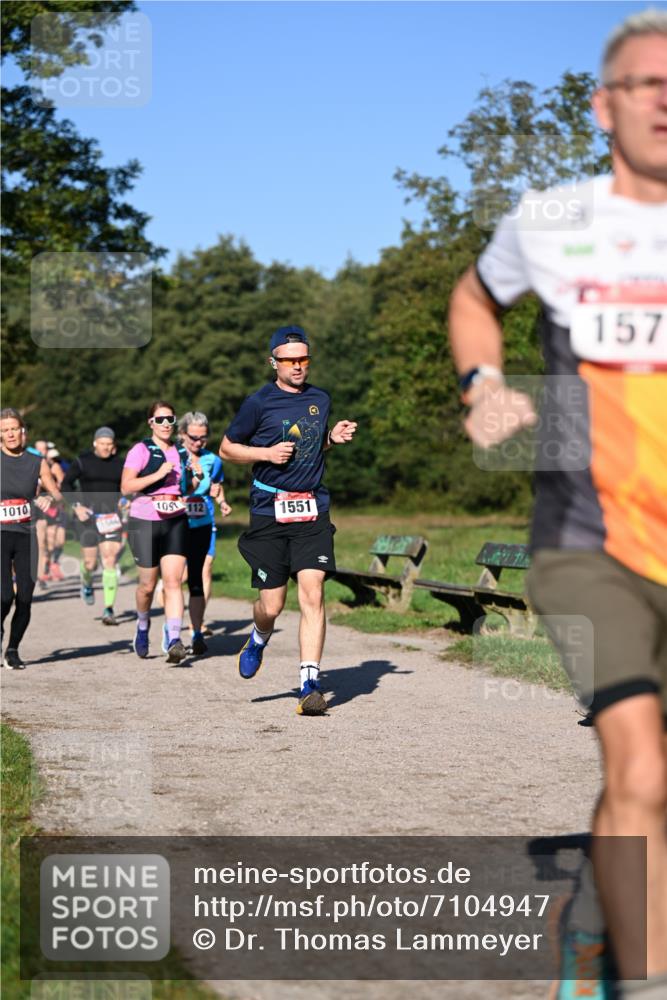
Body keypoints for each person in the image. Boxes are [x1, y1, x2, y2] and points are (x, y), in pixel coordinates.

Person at [448, 11, 667, 999]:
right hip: (589, 545)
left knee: (645, 782)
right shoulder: (551, 222)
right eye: (642, 83)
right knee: (643, 767)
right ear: (602, 106)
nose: (663, 98)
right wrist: (481, 385)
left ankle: (585, 910)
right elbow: (470, 298)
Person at [219, 325, 357, 715]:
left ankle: (309, 683)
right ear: (273, 362)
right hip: (269, 510)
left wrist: (333, 437)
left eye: (303, 359)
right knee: (272, 604)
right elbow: (227, 449)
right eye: (289, 360)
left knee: (312, 591)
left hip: (312, 508)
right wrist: (265, 455)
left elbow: (313, 444)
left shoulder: (321, 398)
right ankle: (259, 636)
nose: (298, 366)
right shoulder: (258, 403)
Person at [121, 401, 194, 664]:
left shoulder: (181, 452)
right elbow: (126, 486)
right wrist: (159, 473)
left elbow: (188, 485)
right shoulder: (140, 450)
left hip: (175, 519)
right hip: (144, 520)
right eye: (160, 420)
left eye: (169, 419)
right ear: (151, 423)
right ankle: (142, 626)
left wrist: (193, 479)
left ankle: (174, 638)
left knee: (174, 582)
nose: (165, 424)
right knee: (147, 586)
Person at [1, 409, 63, 668]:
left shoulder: (36, 462)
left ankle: (12, 650)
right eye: (4, 430)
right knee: (4, 597)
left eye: (14, 428)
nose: (10, 434)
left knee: (25, 596)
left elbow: (58, 496)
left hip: (26, 535)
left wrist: (50, 498)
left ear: (22, 430)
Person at [178, 412, 232, 654]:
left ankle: (196, 629)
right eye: (194, 437)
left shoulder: (213, 460)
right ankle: (172, 622)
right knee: (179, 576)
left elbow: (216, 486)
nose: (199, 442)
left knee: (204, 568)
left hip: (203, 519)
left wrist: (222, 502)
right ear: (182, 435)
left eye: (204, 438)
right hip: (177, 521)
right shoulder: (174, 457)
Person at [61, 427, 126, 625]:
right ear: (95, 443)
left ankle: (108, 609)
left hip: (110, 518)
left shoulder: (120, 464)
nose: (106, 448)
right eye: (102, 444)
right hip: (86, 518)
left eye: (109, 444)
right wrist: (77, 506)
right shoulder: (82, 461)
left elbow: (128, 485)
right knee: (90, 563)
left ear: (113, 445)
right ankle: (87, 581)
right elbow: (66, 485)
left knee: (110, 560)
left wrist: (127, 500)